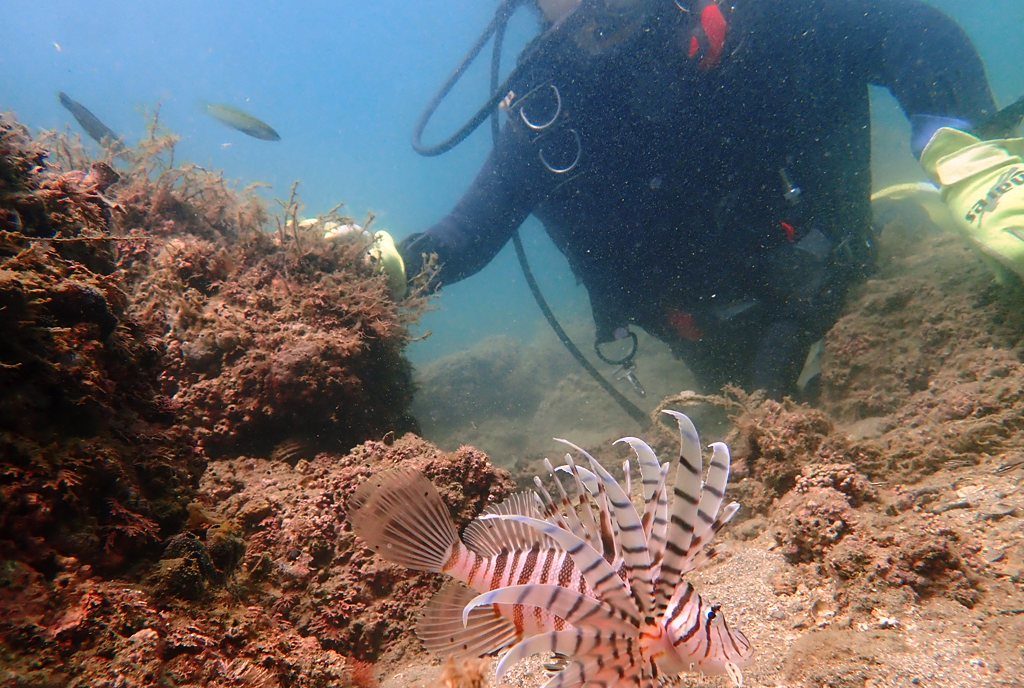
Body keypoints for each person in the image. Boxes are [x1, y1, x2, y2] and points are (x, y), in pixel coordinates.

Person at [387, 0, 1004, 398]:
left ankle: (905, 210)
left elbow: (908, 31)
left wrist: (966, 147)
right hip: (708, 342)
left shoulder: (754, 20)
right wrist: (380, 264)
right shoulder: (545, 112)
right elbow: (466, 234)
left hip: (836, 277)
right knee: (740, 403)